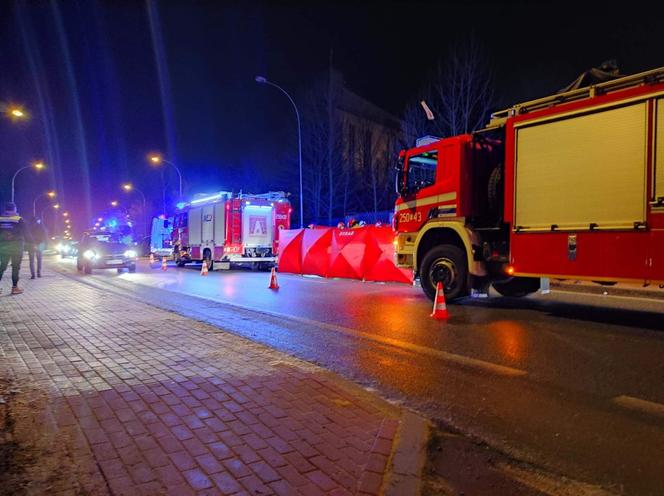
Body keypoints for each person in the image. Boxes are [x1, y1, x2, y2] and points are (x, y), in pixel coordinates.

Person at [0, 202, 31, 295]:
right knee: (15, 267)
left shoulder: (0, 219)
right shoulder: (19, 219)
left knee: (2, 267)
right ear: (14, 209)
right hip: (16, 247)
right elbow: (26, 233)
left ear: (5, 209)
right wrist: (32, 244)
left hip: (3, 247)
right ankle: (14, 288)